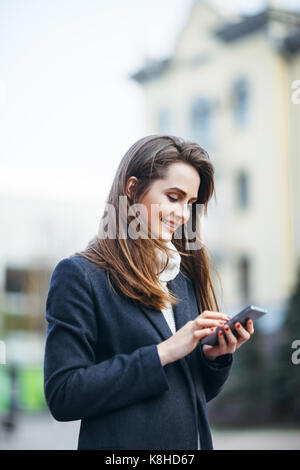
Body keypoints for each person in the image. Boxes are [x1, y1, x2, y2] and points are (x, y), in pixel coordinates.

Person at [43, 134, 254, 450]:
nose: (183, 214)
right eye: (173, 197)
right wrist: (164, 352)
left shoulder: (183, 274)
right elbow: (64, 394)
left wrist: (214, 358)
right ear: (132, 190)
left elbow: (192, 395)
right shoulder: (80, 276)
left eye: (190, 203)